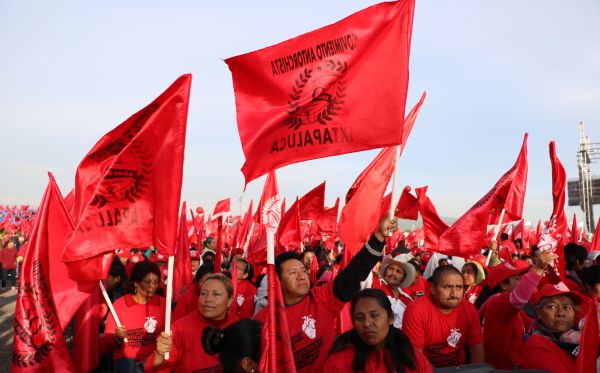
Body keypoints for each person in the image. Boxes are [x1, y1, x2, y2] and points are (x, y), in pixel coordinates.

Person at [254, 216, 398, 373]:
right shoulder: (265, 319)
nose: (302, 276)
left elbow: (352, 275)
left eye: (303, 270)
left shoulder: (320, 298)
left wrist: (378, 237)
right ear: (277, 281)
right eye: (293, 273)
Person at [476, 250, 554, 369]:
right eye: (517, 279)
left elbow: (531, 326)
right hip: (502, 368)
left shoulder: (513, 310)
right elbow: (518, 299)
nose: (521, 281)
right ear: (504, 285)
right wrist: (537, 269)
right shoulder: (497, 301)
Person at [323, 289, 432, 372]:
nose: (366, 323)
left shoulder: (410, 356)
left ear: (391, 318)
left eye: (374, 315)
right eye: (359, 318)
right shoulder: (339, 360)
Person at [147, 273, 238, 372]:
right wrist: (160, 354)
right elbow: (156, 369)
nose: (208, 299)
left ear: (230, 300)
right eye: (203, 293)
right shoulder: (180, 328)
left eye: (216, 294)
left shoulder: (237, 325)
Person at [402, 265, 484, 368]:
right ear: (433, 288)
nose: (454, 293)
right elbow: (415, 357)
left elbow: (477, 350)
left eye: (459, 287)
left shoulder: (469, 309)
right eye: (447, 287)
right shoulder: (415, 311)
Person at [104, 261, 166, 372]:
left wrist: (154, 358)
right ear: (136, 283)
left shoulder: (163, 304)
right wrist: (117, 338)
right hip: (129, 361)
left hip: (157, 356)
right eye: (147, 282)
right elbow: (108, 340)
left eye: (156, 282)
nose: (152, 286)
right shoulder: (120, 305)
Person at [519, 283, 583, 372]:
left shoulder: (580, 336)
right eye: (552, 307)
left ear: (575, 314)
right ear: (539, 313)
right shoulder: (536, 344)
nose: (561, 313)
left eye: (567, 307)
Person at [370, 254, 415, 328]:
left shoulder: (408, 300)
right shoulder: (374, 283)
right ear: (385, 271)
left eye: (398, 271)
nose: (394, 273)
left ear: (404, 278)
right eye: (391, 269)